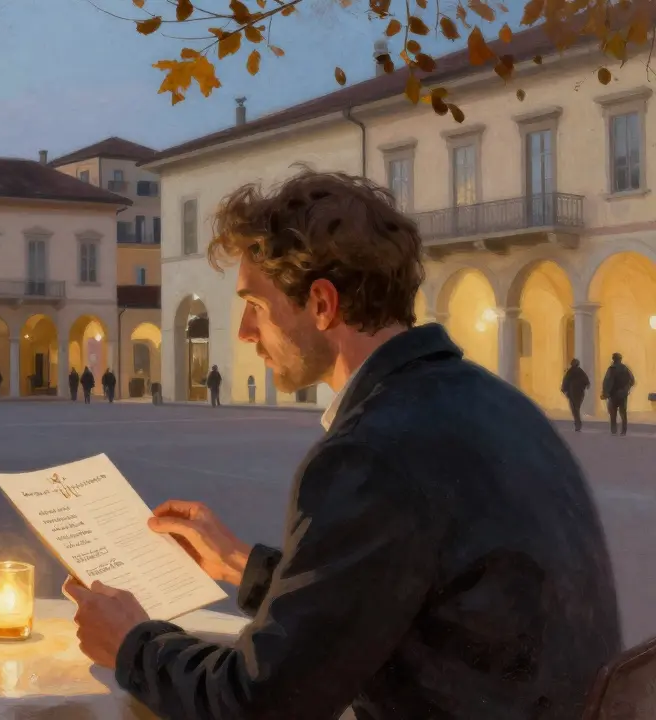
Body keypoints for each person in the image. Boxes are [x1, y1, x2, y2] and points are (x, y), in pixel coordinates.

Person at [64, 171, 620, 720]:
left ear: (323, 304)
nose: (243, 333)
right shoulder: (497, 403)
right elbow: (394, 595)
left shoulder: (370, 453)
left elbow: (262, 704)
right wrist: (243, 564)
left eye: (254, 305)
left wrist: (133, 644)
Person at [601, 352, 636, 437]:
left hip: (613, 395)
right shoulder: (625, 368)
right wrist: (626, 389)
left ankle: (614, 430)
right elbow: (632, 380)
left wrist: (605, 393)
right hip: (623, 394)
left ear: (613, 359)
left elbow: (607, 382)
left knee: (613, 413)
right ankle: (623, 431)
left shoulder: (611, 369)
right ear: (620, 359)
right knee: (623, 413)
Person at [561, 358, 590, 431]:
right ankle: (578, 423)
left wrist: (564, 390)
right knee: (576, 408)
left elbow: (565, 381)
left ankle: (577, 423)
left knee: (574, 409)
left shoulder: (570, 372)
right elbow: (587, 382)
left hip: (572, 393)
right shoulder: (580, 372)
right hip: (579, 393)